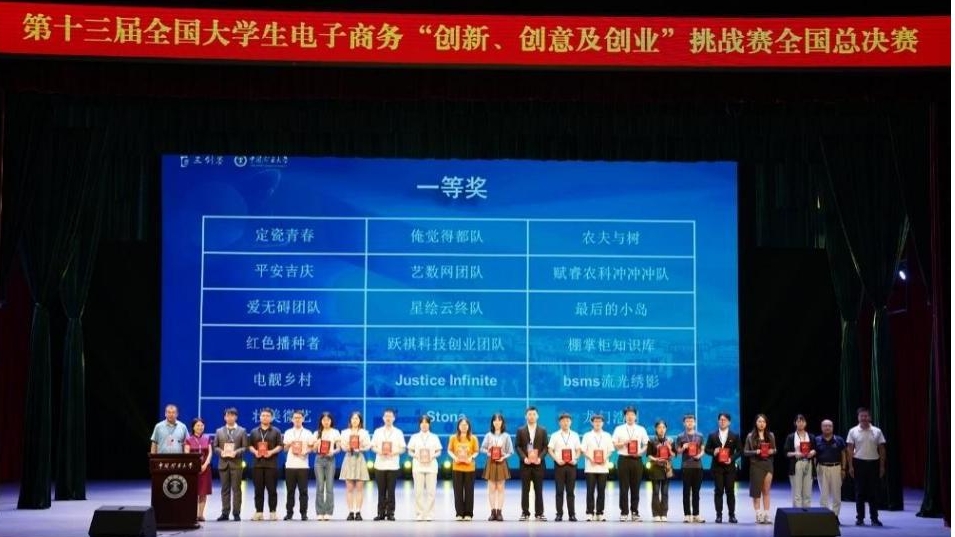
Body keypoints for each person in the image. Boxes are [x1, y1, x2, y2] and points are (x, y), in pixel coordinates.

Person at [846, 407, 886, 527]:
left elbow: (882, 449)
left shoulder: (877, 431)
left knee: (873, 492)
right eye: (861, 416)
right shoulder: (853, 431)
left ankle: (874, 518)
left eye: (866, 416)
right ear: (858, 417)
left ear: (870, 417)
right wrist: (850, 466)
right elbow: (849, 450)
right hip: (859, 463)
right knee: (859, 492)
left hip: (874, 463)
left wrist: (882, 466)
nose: (864, 418)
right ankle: (860, 518)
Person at [611, 405, 648, 522]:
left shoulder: (641, 429)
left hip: (637, 460)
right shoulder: (619, 429)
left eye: (632, 414)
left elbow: (646, 444)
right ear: (624, 416)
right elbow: (614, 444)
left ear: (636, 416)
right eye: (627, 415)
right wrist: (623, 443)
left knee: (635, 487)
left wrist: (640, 453)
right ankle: (624, 512)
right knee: (623, 487)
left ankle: (635, 512)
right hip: (623, 459)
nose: (630, 417)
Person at [704, 412, 742, 524]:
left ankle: (732, 515)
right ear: (718, 421)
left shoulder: (734, 436)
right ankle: (719, 516)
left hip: (730, 467)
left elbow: (740, 451)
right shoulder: (712, 435)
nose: (722, 421)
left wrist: (732, 458)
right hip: (717, 468)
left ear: (729, 422)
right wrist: (713, 452)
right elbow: (706, 449)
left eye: (724, 420)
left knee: (730, 491)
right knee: (718, 491)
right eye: (720, 419)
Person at [371, 408, 406, 521]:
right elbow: (373, 446)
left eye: (390, 416)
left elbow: (403, 448)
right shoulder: (377, 431)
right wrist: (379, 451)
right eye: (386, 416)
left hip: (393, 465)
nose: (388, 418)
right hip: (380, 465)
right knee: (381, 491)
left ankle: (390, 513)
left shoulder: (398, 432)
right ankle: (380, 513)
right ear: (383, 418)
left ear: (394, 418)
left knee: (391, 491)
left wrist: (394, 452)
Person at [213, 407, 247, 522]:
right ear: (224, 417)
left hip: (236, 463)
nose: (230, 417)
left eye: (232, 415)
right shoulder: (219, 431)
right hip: (223, 464)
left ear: (236, 417)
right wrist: (221, 452)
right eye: (227, 415)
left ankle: (236, 513)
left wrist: (236, 452)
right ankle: (225, 513)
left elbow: (245, 447)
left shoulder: (242, 431)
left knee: (236, 489)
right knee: (224, 489)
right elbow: (215, 446)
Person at [515, 406, 549, 521]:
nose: (532, 416)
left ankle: (539, 513)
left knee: (539, 490)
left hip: (539, 465)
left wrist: (540, 458)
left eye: (534, 414)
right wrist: (524, 458)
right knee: (525, 490)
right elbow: (517, 446)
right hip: (525, 464)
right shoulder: (520, 430)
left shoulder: (543, 430)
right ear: (526, 416)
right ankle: (525, 513)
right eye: (529, 414)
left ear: (537, 416)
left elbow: (546, 447)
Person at [249, 408, 283, 521]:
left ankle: (273, 512)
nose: (265, 417)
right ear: (259, 417)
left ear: (272, 418)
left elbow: (280, 446)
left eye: (268, 416)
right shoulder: (254, 431)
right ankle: (259, 512)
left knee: (272, 490)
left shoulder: (276, 431)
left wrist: (271, 452)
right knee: (258, 490)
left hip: (271, 465)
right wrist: (255, 452)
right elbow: (250, 445)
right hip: (257, 464)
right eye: (263, 415)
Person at [743, 413, 777, 525]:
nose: (761, 424)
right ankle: (758, 514)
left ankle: (767, 514)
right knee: (756, 491)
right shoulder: (750, 436)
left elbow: (775, 449)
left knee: (766, 490)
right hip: (756, 465)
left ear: (766, 423)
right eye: (759, 421)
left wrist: (772, 451)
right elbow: (745, 452)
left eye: (763, 422)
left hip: (768, 464)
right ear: (756, 423)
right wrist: (756, 451)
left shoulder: (770, 435)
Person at [408, 415, 443, 521]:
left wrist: (432, 456)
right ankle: (419, 513)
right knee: (418, 492)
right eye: (422, 422)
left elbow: (439, 451)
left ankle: (429, 514)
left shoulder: (434, 437)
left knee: (431, 492)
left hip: (431, 466)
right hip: (418, 466)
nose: (424, 424)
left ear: (429, 424)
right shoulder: (414, 437)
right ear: (419, 424)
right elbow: (410, 451)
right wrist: (416, 456)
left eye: (426, 422)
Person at [547, 412, 580, 522]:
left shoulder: (575, 435)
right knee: (559, 491)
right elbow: (550, 449)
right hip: (559, 465)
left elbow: (578, 450)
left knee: (571, 491)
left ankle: (572, 514)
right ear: (559, 422)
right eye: (563, 421)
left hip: (571, 466)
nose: (565, 423)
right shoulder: (555, 435)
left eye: (567, 421)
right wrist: (557, 460)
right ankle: (559, 514)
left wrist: (575, 459)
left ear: (571, 422)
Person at [339, 411, 371, 521]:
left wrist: (360, 447)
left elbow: (368, 446)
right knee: (349, 488)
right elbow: (342, 446)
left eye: (357, 418)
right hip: (349, 458)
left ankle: (358, 512)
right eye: (353, 418)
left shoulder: (364, 433)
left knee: (359, 488)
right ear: (350, 420)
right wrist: (347, 447)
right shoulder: (344, 432)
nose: (355, 420)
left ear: (360, 421)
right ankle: (350, 511)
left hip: (359, 458)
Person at [480, 412, 513, 521]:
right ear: (492, 422)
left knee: (501, 488)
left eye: (499, 420)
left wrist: (503, 457)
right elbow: (482, 448)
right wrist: (488, 452)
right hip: (491, 462)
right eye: (495, 420)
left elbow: (510, 451)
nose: (497, 422)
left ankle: (499, 512)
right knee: (491, 489)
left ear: (502, 422)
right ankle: (492, 512)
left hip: (501, 463)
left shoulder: (506, 436)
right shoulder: (488, 435)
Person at [580, 413, 612, 521]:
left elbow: (610, 451)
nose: (597, 423)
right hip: (590, 467)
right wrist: (590, 458)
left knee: (601, 491)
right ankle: (589, 512)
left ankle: (600, 512)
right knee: (590, 491)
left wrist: (604, 458)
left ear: (603, 423)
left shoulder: (607, 435)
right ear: (592, 423)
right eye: (595, 421)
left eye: (600, 421)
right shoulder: (587, 435)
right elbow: (583, 450)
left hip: (603, 467)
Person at [814, 419, 848, 521]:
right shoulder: (817, 440)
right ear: (821, 427)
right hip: (822, 468)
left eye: (829, 426)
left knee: (836, 494)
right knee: (824, 494)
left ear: (832, 427)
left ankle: (835, 516)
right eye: (825, 426)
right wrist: (814, 470)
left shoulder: (839, 439)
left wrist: (843, 469)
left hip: (836, 468)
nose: (827, 428)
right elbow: (814, 456)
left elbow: (843, 454)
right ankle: (824, 515)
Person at [283, 410, 313, 521]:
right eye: (295, 418)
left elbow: (312, 447)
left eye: (299, 417)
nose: (297, 419)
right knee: (290, 491)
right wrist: (289, 444)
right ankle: (289, 513)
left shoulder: (308, 433)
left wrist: (306, 452)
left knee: (303, 491)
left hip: (303, 465)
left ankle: (303, 513)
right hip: (290, 465)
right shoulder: (288, 432)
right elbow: (285, 449)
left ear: (303, 419)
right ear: (292, 419)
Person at [675, 414, 705, 523]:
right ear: (684, 423)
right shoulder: (680, 436)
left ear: (695, 423)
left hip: (698, 466)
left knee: (696, 492)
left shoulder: (700, 436)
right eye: (687, 421)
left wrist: (699, 455)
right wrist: (683, 448)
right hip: (686, 466)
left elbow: (703, 449)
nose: (689, 423)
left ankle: (696, 514)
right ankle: (687, 514)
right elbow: (677, 452)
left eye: (691, 421)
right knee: (686, 491)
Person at [447, 416, 478, 521]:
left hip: (469, 468)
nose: (464, 426)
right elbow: (449, 450)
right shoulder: (453, 438)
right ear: (458, 426)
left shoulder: (473, 438)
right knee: (458, 491)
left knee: (469, 491)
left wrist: (471, 458)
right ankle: (459, 513)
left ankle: (468, 513)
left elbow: (476, 451)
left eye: (466, 425)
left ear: (468, 426)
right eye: (462, 425)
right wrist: (454, 457)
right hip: (457, 467)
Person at [184, 418, 213, 522]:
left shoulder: (207, 438)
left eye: (202, 425)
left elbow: (210, 453)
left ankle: (200, 515)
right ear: (193, 427)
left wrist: (205, 464)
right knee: (193, 492)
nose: (200, 427)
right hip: (193, 470)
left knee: (203, 492)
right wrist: (195, 466)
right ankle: (193, 514)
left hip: (205, 469)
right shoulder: (188, 439)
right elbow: (186, 454)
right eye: (197, 425)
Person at [313, 411, 340, 521]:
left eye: (328, 420)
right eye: (324, 420)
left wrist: (333, 452)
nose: (326, 422)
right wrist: (317, 443)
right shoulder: (317, 433)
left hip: (330, 460)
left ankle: (328, 511)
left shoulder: (335, 432)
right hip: (319, 460)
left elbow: (339, 448)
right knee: (319, 486)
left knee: (329, 486)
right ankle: (320, 512)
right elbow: (313, 450)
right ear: (321, 421)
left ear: (331, 421)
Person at [784, 414, 816, 508]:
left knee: (807, 492)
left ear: (805, 423)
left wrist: (813, 452)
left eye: (802, 421)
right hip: (796, 463)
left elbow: (816, 449)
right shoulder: (791, 437)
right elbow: (786, 453)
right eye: (798, 421)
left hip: (808, 463)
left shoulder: (811, 436)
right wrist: (795, 453)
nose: (800, 423)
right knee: (797, 492)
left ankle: (806, 513)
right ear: (795, 423)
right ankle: (797, 513)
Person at [647, 420, 674, 522]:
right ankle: (656, 514)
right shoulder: (651, 441)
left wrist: (669, 448)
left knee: (665, 492)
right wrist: (656, 459)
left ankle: (664, 513)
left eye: (663, 427)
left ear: (666, 429)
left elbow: (674, 455)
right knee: (655, 492)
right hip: (655, 468)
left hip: (666, 468)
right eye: (659, 427)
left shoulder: (670, 441)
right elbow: (649, 455)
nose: (661, 429)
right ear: (656, 429)